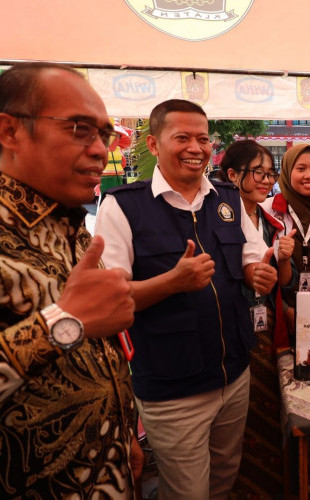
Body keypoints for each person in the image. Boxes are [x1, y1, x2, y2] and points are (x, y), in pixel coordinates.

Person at [95, 99, 278, 500]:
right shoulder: (123, 206)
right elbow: (110, 301)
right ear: (154, 144)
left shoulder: (227, 198)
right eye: (182, 137)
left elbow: (250, 255)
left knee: (224, 479)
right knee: (187, 493)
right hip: (172, 386)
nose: (196, 147)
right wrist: (172, 282)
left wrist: (257, 273)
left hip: (234, 374)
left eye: (203, 138)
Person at [0, 62, 140, 497]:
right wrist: (64, 321)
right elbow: (74, 322)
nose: (101, 149)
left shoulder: (73, 226)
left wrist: (122, 434)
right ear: (10, 132)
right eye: (80, 128)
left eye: (104, 134)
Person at [219, 139, 297, 497]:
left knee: (268, 406)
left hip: (266, 327)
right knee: (240, 414)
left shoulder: (269, 220)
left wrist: (284, 257)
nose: (267, 181)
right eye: (259, 173)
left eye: (270, 173)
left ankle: (267, 486)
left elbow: (281, 282)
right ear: (233, 175)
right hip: (233, 327)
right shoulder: (217, 220)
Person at [261, 144, 310, 294]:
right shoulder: (267, 210)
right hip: (278, 303)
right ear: (287, 171)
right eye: (301, 169)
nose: (309, 175)